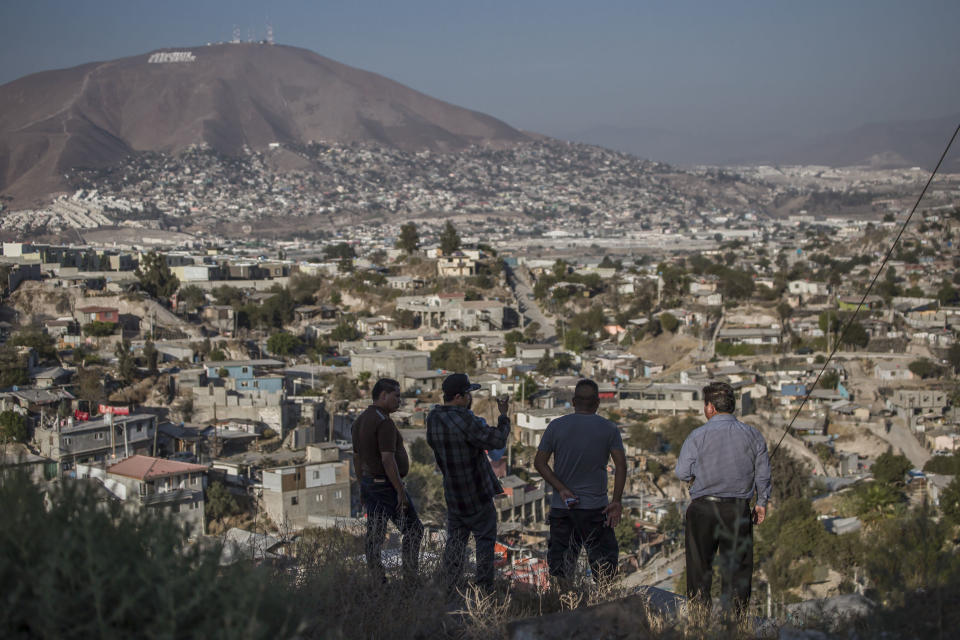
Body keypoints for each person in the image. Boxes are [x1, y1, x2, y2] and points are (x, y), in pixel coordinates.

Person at [675, 381, 771, 613]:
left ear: (710, 408)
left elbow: (682, 472)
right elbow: (764, 475)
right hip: (737, 511)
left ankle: (699, 622)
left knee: (699, 571)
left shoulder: (697, 436)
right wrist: (761, 503)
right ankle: (735, 627)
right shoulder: (753, 435)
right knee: (737, 573)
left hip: (702, 511)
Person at [534, 379, 626, 584]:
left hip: (563, 508)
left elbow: (539, 463)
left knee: (561, 570)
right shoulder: (609, 428)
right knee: (604, 570)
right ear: (597, 403)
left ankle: (564, 609)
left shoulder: (556, 426)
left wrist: (562, 489)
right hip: (596, 510)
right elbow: (621, 465)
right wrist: (616, 501)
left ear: (574, 401)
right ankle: (604, 610)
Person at [427, 373, 510, 593]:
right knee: (484, 541)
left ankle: (449, 587)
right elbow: (497, 440)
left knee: (455, 542)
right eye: (467, 394)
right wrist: (504, 417)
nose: (470, 398)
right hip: (476, 493)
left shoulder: (433, 418)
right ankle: (483, 590)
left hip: (453, 494)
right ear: (459, 397)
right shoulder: (464, 418)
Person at [352, 377, 423, 582]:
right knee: (414, 530)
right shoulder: (384, 422)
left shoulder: (360, 421)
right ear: (383, 395)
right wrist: (400, 491)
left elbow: (357, 458)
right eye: (396, 396)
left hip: (370, 484)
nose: (399, 401)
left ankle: (377, 580)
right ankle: (410, 579)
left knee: (374, 535)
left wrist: (361, 486)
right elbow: (387, 459)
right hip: (386, 487)